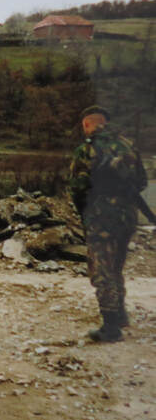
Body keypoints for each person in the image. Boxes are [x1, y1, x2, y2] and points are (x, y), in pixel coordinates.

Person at [69, 105, 147, 342]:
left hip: (101, 217)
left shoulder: (87, 150)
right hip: (128, 218)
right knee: (116, 266)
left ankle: (111, 327)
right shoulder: (128, 146)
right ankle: (121, 314)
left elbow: (78, 188)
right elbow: (142, 182)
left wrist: (85, 213)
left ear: (87, 124)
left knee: (102, 270)